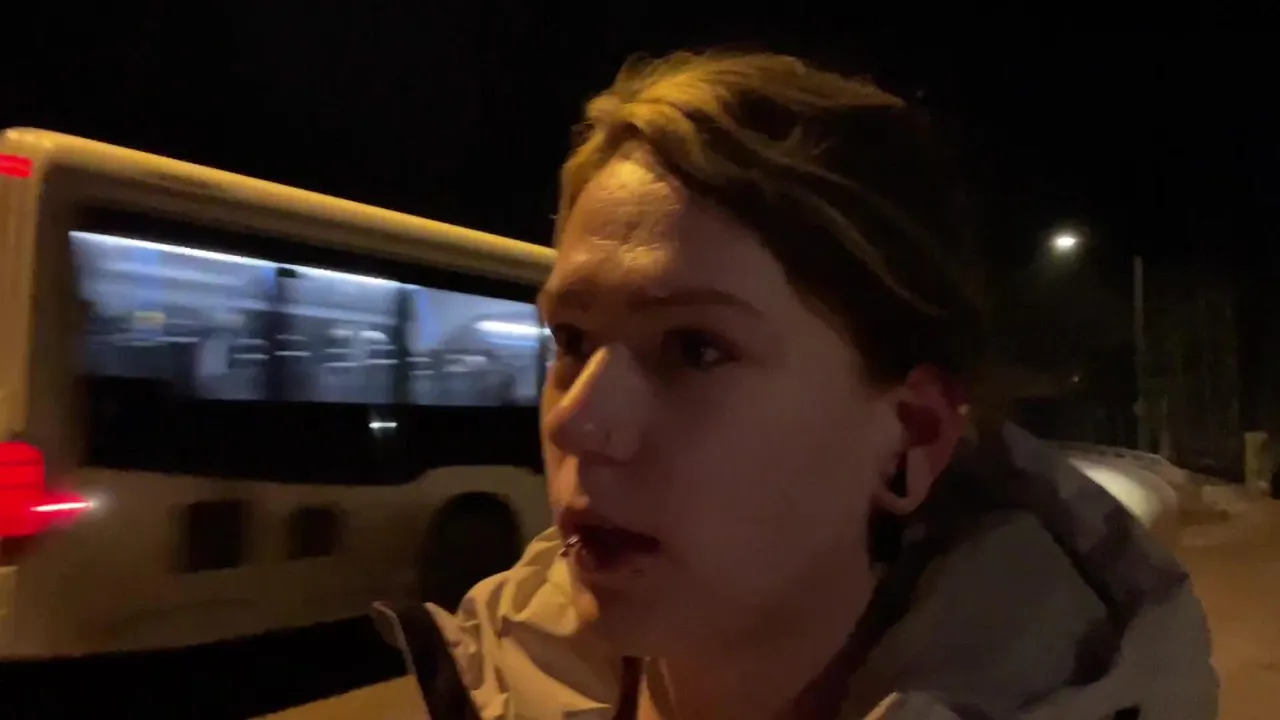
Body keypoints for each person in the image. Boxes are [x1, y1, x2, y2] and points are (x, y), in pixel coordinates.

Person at [372, 50, 1217, 719]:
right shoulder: (505, 681)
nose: (577, 421)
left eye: (696, 349)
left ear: (913, 436)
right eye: (572, 340)